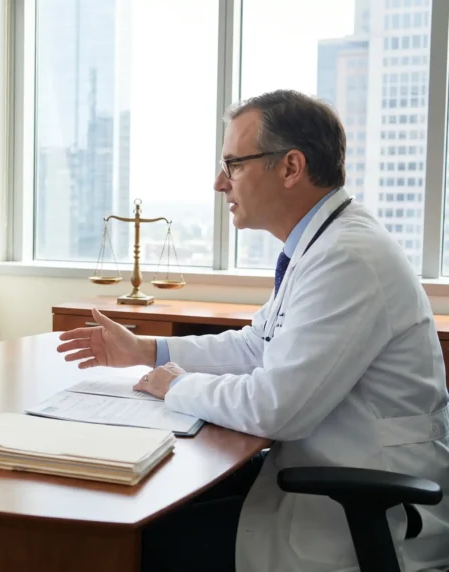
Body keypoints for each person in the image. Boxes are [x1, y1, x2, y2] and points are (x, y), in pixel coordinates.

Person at [57, 90, 449, 572]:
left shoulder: (349, 258)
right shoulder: (321, 245)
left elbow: (275, 410)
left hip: (359, 517)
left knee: (135, 549)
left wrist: (176, 384)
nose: (220, 183)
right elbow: (255, 345)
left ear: (290, 168)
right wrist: (148, 349)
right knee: (163, 517)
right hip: (320, 481)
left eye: (234, 164)